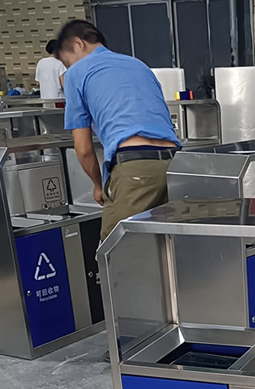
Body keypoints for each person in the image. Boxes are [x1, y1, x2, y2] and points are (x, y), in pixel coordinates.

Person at [56, 20, 181, 242]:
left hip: (135, 167)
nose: (69, 67)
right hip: (177, 164)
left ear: (78, 43)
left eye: (68, 62)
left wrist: (98, 185)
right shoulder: (138, 65)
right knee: (167, 246)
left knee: (116, 250)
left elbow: (83, 149)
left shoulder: (76, 73)